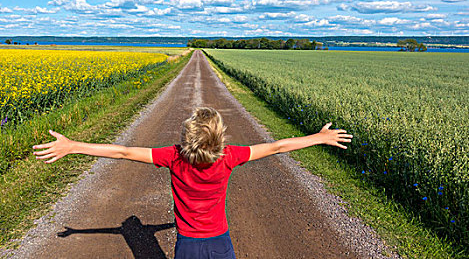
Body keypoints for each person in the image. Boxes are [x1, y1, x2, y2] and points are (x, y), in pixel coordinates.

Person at [33, 107, 352, 259]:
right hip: (220, 242)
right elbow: (279, 146)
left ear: (186, 140)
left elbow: (123, 151)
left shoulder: (173, 156)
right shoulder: (229, 156)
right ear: (220, 139)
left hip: (188, 245)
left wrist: (73, 145)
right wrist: (320, 138)